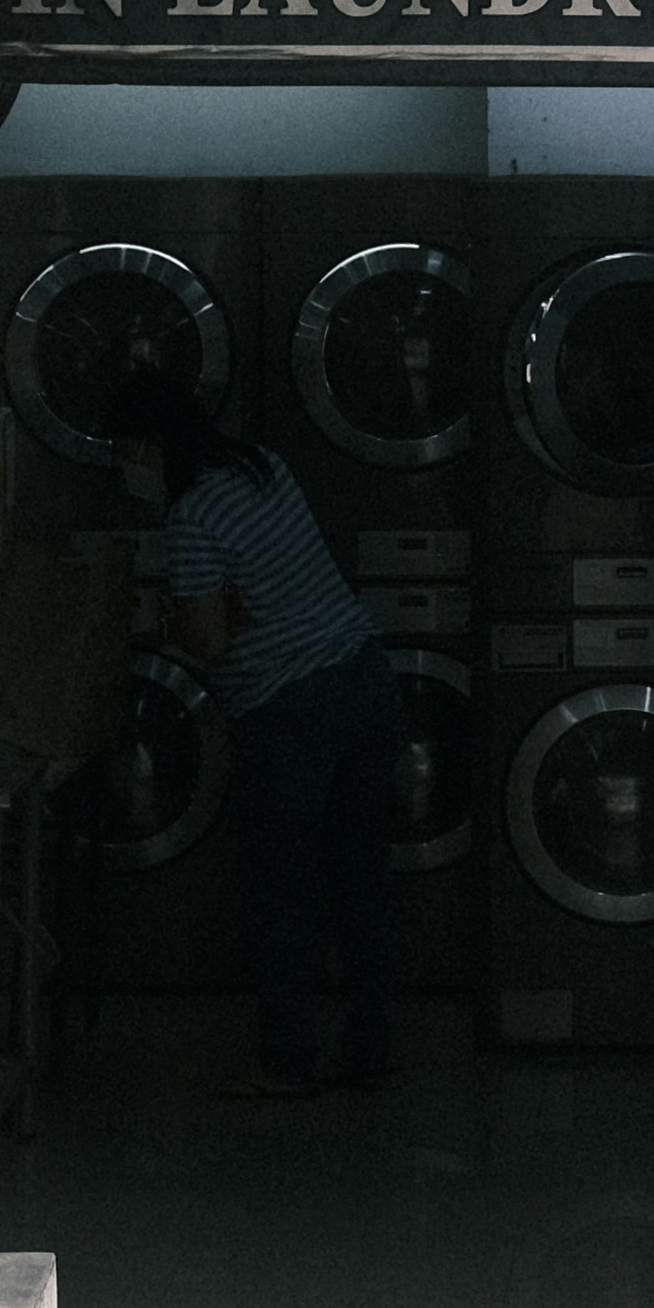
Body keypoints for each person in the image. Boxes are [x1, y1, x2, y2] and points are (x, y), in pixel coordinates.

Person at [126, 372, 399, 1100]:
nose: (131, 466)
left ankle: (287, 1061)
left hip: (291, 713)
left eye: (132, 449)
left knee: (283, 894)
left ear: (153, 444)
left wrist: (170, 621)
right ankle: (371, 1043)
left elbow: (210, 641)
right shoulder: (261, 466)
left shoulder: (190, 519)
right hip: (367, 681)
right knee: (360, 881)